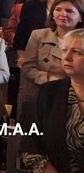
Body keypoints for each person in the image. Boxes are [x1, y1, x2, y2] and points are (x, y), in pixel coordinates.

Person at [21, 28, 84, 172]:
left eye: (77, 52)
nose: (66, 57)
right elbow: (30, 144)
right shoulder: (48, 92)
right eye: (65, 50)